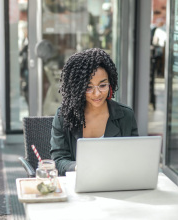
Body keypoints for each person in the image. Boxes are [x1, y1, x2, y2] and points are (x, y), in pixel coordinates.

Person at [50, 48, 139, 176]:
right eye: (88, 87)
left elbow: (134, 158)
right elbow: (58, 160)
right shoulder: (63, 116)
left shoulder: (126, 116)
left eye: (102, 85)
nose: (97, 93)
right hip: (78, 185)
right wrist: (78, 167)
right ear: (77, 88)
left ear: (110, 83)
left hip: (116, 183)